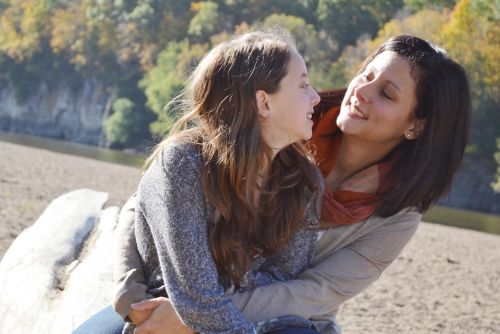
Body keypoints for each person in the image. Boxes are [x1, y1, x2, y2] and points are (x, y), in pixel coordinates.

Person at [77, 34, 471, 334]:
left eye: (386, 93)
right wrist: (129, 288)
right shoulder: (279, 119)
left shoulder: (395, 216)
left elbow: (310, 292)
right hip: (180, 290)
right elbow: (151, 200)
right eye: (366, 75)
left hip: (284, 319)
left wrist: (195, 315)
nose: (361, 92)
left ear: (416, 126)